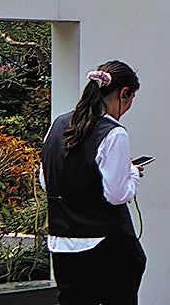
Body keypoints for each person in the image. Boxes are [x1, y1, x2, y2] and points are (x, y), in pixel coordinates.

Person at [41, 60, 144, 305]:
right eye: (130, 100)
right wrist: (132, 174)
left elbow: (46, 180)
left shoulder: (57, 125)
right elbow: (116, 194)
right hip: (105, 244)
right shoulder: (113, 132)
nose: (128, 107)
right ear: (124, 93)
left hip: (61, 242)